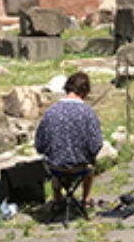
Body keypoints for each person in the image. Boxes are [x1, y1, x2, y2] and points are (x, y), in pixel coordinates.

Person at [35, 71, 103, 211]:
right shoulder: (88, 113)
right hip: (80, 166)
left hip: (55, 167)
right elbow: (96, 144)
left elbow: (39, 145)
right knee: (91, 163)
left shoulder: (50, 113)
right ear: (85, 91)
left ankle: (57, 198)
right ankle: (86, 198)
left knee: (52, 159)